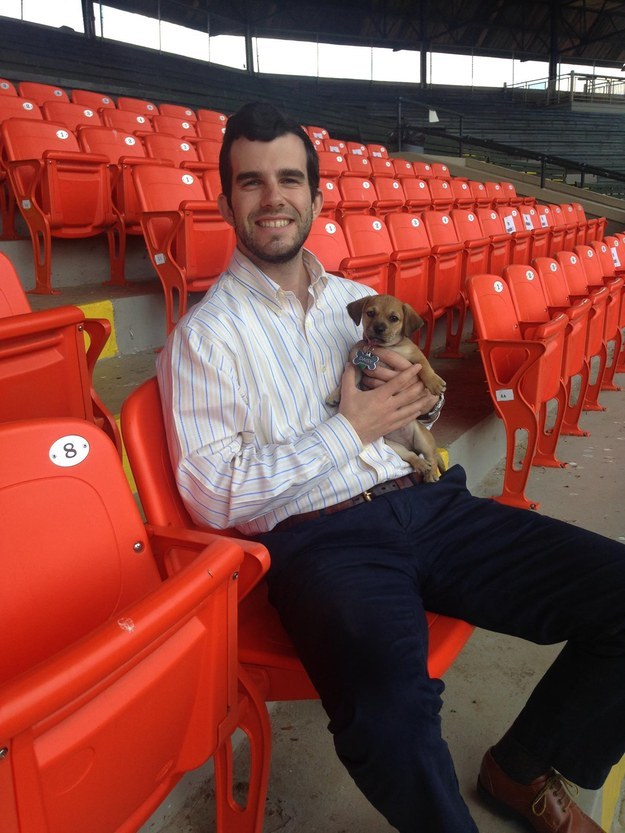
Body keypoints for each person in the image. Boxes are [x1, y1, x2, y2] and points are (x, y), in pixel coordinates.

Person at [156, 101, 625, 833]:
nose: (272, 197)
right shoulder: (203, 338)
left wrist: (406, 409)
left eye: (288, 179)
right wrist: (348, 429)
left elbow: (420, 413)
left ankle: (525, 765)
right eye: (250, 182)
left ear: (316, 197)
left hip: (432, 503)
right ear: (226, 202)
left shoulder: (358, 302)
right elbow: (213, 495)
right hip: (321, 542)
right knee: (390, 714)